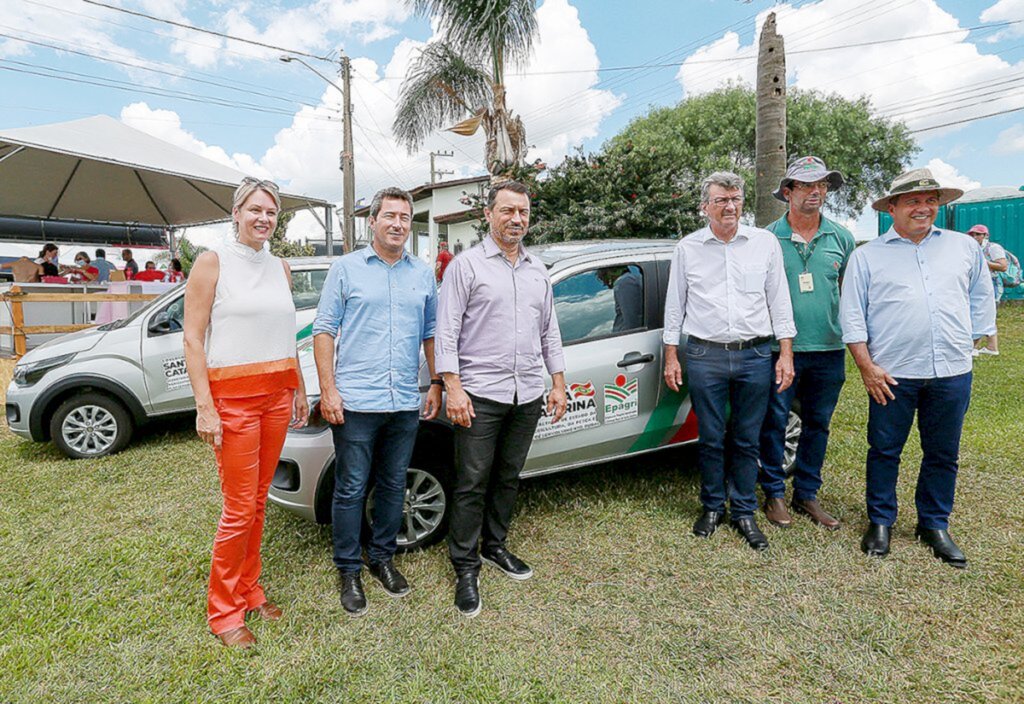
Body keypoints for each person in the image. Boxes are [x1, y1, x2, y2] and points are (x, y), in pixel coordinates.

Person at [840, 168, 995, 568]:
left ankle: (934, 524)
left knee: (943, 453)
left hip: (952, 372)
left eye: (931, 200)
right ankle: (880, 521)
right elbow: (852, 317)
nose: (923, 208)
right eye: (913, 201)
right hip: (892, 374)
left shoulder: (964, 248)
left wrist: (972, 339)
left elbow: (981, 297)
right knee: (884, 449)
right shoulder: (867, 256)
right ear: (892, 207)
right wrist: (867, 368)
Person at [183, 177, 309, 648]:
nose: (263, 218)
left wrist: (296, 387)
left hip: (277, 395)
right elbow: (193, 338)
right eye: (254, 209)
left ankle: (250, 589)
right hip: (232, 399)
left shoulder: (281, 267)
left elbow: (285, 333)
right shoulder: (212, 263)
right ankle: (223, 611)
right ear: (236, 213)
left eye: (271, 212)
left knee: (258, 502)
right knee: (238, 508)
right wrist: (205, 408)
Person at [436, 180, 567, 618]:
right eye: (508, 211)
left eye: (523, 212)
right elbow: (447, 332)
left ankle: (495, 546)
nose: (517, 219)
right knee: (472, 481)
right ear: (488, 215)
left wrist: (558, 382)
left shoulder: (537, 270)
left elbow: (549, 330)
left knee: (509, 476)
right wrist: (453, 387)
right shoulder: (465, 267)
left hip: (527, 391)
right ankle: (465, 566)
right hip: (480, 394)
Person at [312, 187, 440, 617]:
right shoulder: (346, 269)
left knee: (392, 483)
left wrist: (437, 382)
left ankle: (381, 558)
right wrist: (328, 390)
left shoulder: (422, 274)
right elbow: (324, 330)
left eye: (405, 217)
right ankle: (348, 569)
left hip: (403, 400)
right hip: (356, 402)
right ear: (373, 221)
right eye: (390, 216)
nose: (398, 224)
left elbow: (431, 334)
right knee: (349, 488)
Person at [663, 171, 795, 552]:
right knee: (710, 436)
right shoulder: (688, 248)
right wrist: (672, 355)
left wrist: (785, 353)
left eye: (735, 198)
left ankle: (744, 511)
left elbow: (779, 301)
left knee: (747, 437)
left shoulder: (764, 243)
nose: (730, 206)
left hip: (755, 354)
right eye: (721, 200)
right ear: (705, 207)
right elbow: (675, 306)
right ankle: (711, 507)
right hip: (705, 354)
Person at [758, 157, 855, 530]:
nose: (816, 191)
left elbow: (849, 293)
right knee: (775, 422)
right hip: (778, 351)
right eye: (806, 185)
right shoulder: (767, 239)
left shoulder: (841, 237)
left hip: (829, 350)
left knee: (818, 423)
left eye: (823, 185)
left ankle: (807, 495)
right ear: (788, 192)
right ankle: (774, 495)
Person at [967, 224, 1006, 356]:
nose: (974, 237)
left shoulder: (993, 248)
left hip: (992, 284)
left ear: (985, 235)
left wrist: (983, 262)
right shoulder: (973, 248)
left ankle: (972, 346)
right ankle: (992, 347)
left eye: (978, 234)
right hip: (979, 283)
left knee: (980, 314)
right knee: (988, 315)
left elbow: (1003, 266)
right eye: (972, 234)